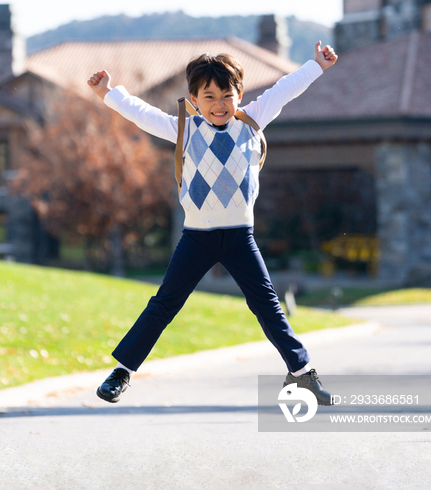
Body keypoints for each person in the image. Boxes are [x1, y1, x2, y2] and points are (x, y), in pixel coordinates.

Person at [87, 40, 338, 404]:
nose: (219, 105)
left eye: (227, 95)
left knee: (268, 305)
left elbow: (284, 89)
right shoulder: (184, 130)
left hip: (240, 238)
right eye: (209, 97)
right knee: (163, 304)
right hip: (197, 238)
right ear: (193, 99)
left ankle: (302, 373)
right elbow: (141, 113)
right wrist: (107, 93)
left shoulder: (253, 120)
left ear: (239, 95)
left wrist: (316, 65)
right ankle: (122, 372)